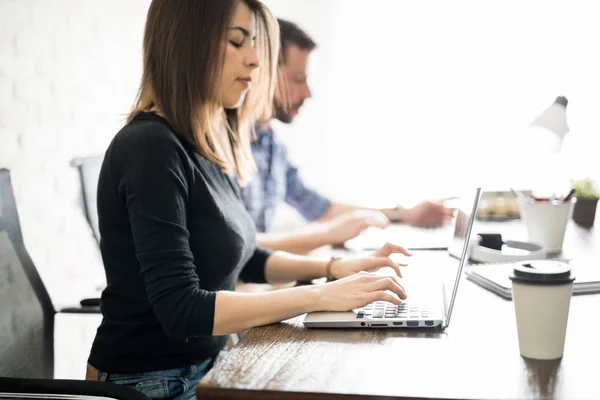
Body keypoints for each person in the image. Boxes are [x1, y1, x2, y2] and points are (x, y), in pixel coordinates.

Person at [86, 2, 410, 399]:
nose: (256, 60)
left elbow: (248, 256)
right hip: (151, 382)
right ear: (188, 46)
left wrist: (335, 267)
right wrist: (321, 295)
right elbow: (182, 311)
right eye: (237, 42)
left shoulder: (206, 141)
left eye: (254, 43)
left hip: (208, 366)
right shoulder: (149, 147)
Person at [239, 19, 454, 255]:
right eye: (298, 79)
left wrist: (403, 214)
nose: (308, 93)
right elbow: (236, 245)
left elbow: (323, 210)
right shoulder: (225, 145)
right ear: (262, 73)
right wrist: (328, 234)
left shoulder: (272, 147)